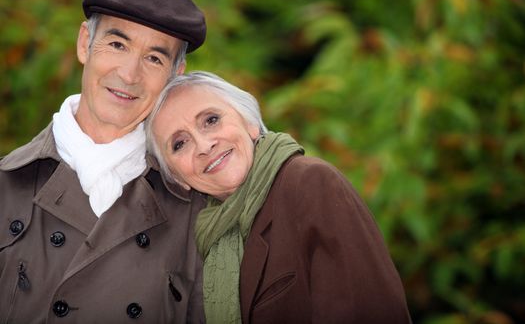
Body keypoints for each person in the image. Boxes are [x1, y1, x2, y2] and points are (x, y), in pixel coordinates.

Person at [0, 0, 207, 322]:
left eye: (154, 59)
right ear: (84, 43)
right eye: (117, 45)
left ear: (176, 74)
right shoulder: (6, 184)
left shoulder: (197, 212)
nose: (129, 75)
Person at [146, 71, 412, 323]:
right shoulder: (206, 239)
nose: (204, 146)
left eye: (211, 120)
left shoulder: (308, 184)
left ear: (249, 123)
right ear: (177, 178)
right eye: (180, 144)